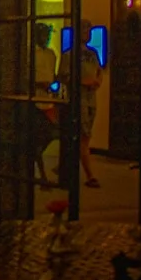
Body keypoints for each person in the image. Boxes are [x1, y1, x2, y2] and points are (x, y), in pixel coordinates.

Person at [57, 21, 104, 188]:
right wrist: (83, 82)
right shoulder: (69, 55)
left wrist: (97, 81)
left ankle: (69, 168)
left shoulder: (92, 53)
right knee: (82, 135)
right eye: (84, 30)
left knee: (87, 134)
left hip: (91, 99)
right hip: (79, 99)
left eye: (89, 31)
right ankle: (89, 174)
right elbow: (63, 76)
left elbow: (99, 71)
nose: (87, 34)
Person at [31, 23, 60, 183]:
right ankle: (42, 175)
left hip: (49, 101)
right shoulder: (31, 53)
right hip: (35, 101)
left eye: (48, 35)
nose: (46, 38)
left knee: (52, 134)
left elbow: (52, 74)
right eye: (44, 35)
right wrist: (39, 84)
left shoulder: (51, 54)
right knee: (38, 138)